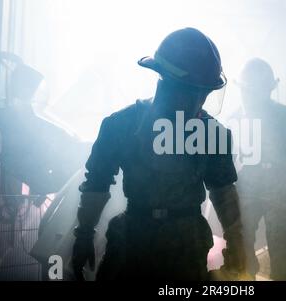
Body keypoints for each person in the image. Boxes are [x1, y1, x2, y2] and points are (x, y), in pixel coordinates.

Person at [71, 28, 246, 281]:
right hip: (133, 243)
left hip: (184, 247)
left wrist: (236, 239)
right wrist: (84, 235)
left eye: (205, 93)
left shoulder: (210, 133)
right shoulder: (121, 124)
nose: (200, 101)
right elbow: (97, 181)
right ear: (167, 82)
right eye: (193, 91)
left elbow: (223, 189)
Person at [233, 58, 286, 280]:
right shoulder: (233, 119)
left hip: (276, 182)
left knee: (278, 240)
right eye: (246, 90)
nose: (249, 95)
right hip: (244, 184)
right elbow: (226, 162)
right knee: (241, 242)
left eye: (253, 90)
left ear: (267, 89)